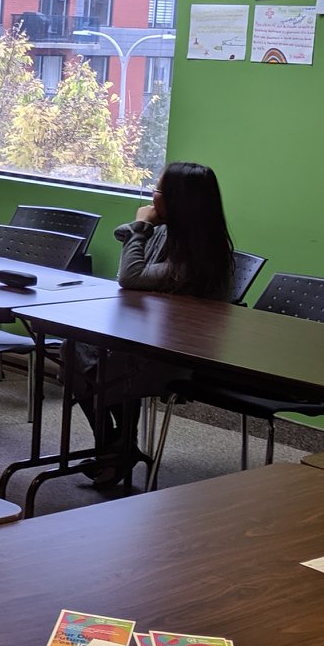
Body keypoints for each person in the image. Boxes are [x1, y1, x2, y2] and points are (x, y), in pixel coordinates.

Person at [69, 161, 234, 489]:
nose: (151, 196)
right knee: (73, 348)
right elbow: (122, 237)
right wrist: (143, 225)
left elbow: (130, 277)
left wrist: (142, 226)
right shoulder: (168, 233)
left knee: (103, 360)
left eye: (157, 190)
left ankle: (115, 450)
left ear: (177, 200)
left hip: (177, 355)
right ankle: (115, 445)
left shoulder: (201, 256)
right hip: (144, 339)